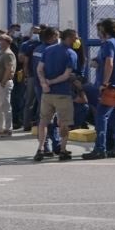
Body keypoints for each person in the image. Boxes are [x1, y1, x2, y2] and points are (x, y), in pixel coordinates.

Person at [86, 19, 115, 159]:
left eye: (99, 29)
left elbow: (109, 63)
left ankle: (100, 148)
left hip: (110, 85)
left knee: (101, 116)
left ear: (104, 30)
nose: (98, 32)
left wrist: (104, 83)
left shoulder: (109, 43)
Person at [35, 29, 78, 162]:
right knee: (64, 123)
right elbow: (66, 75)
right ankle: (63, 150)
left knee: (43, 122)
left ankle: (41, 148)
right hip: (63, 93)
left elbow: (39, 69)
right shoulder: (71, 54)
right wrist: (51, 82)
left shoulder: (48, 50)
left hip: (47, 94)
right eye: (75, 38)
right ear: (69, 38)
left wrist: (44, 83)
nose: (77, 40)